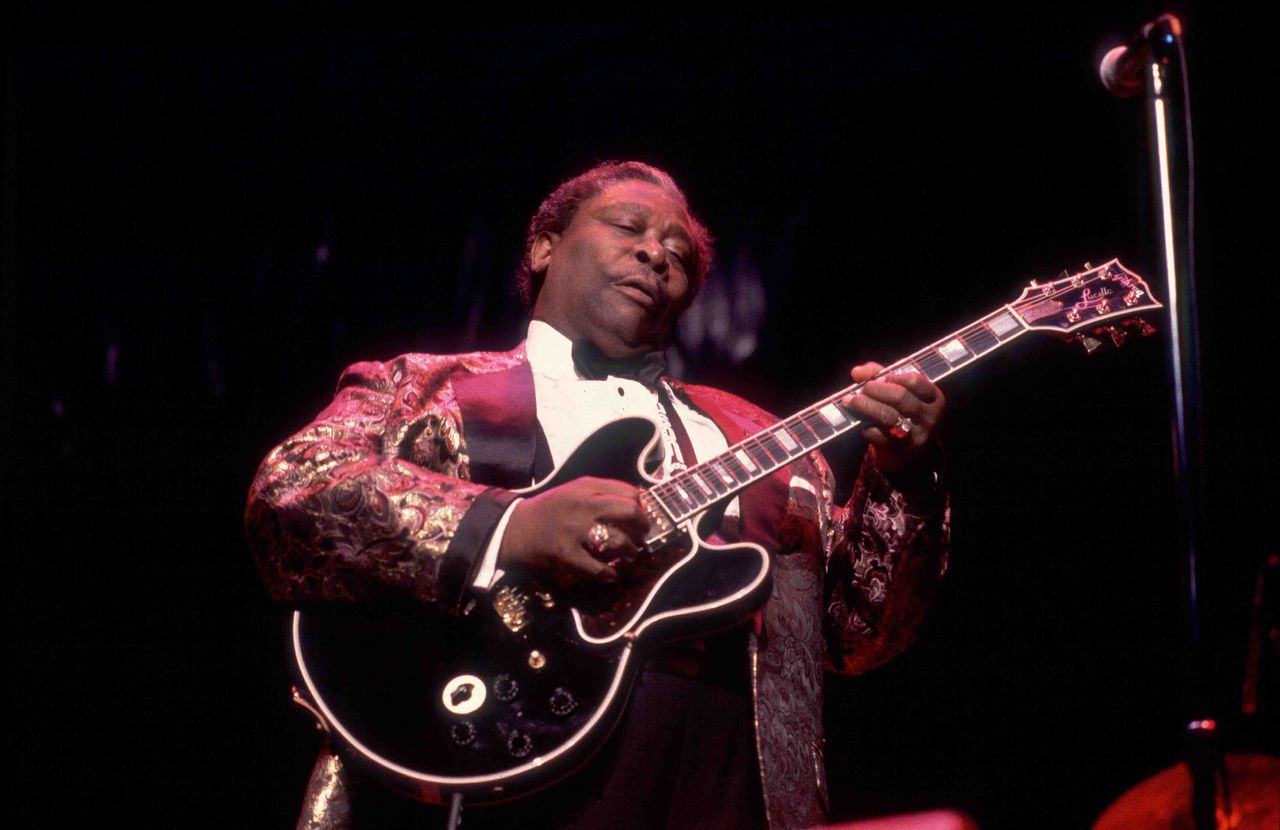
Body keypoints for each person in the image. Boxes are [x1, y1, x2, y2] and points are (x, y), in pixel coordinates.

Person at [245, 161, 950, 830]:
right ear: (546, 246)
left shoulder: (764, 440)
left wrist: (902, 476)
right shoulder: (425, 387)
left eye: (679, 252)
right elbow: (294, 490)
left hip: (736, 780)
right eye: (628, 228)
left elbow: (858, 637)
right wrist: (511, 529)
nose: (657, 255)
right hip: (492, 756)